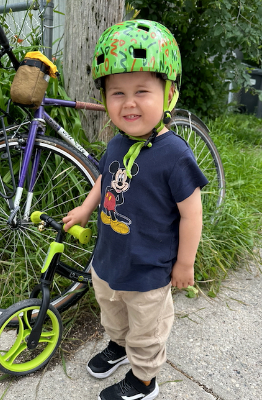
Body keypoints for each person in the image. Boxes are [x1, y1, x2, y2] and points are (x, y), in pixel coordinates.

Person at [63, 19, 208, 400]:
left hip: (149, 269)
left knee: (147, 325)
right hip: (110, 258)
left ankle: (145, 379)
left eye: (142, 91)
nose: (128, 102)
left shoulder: (175, 156)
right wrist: (84, 208)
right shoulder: (115, 144)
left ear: (169, 93)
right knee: (111, 310)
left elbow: (193, 212)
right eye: (117, 93)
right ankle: (118, 346)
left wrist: (185, 264)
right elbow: (105, 180)